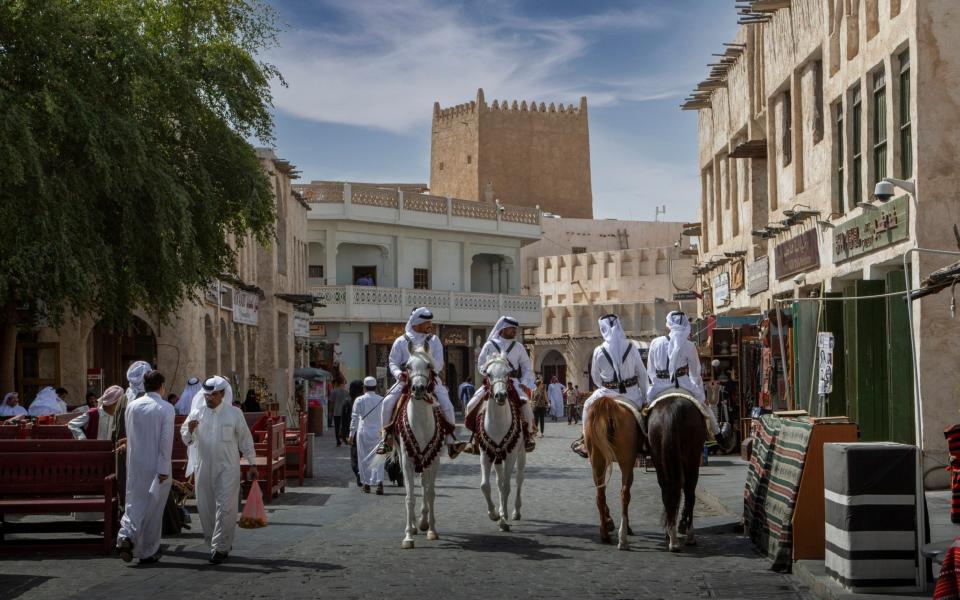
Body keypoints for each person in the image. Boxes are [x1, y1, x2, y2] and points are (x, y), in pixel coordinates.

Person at [180, 375, 256, 565]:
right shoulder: (197, 413)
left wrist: (252, 463)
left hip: (228, 468)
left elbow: (245, 439)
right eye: (206, 395)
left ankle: (220, 547)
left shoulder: (234, 413)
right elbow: (186, 438)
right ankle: (214, 542)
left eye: (213, 395)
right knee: (206, 508)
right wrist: (189, 430)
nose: (209, 398)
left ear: (222, 393)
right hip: (204, 467)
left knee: (225, 507)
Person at [376, 307, 463, 458]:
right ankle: (386, 438)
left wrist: (428, 367)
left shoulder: (434, 340)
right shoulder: (401, 341)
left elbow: (440, 364)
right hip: (406, 379)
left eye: (430, 322)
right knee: (387, 402)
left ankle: (451, 441)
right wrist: (398, 374)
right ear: (417, 323)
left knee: (447, 404)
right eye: (426, 322)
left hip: (430, 379)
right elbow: (393, 362)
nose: (430, 325)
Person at [116, 370, 174, 565]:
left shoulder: (132, 406)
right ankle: (147, 550)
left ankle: (126, 535)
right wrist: (164, 468)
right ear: (161, 386)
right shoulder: (166, 408)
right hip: (157, 464)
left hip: (135, 463)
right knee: (154, 508)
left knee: (134, 501)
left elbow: (131, 435)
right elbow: (166, 441)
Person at [572, 314, 648, 458]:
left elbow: (595, 378)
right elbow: (642, 374)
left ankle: (584, 441)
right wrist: (644, 397)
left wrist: (607, 386)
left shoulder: (599, 350)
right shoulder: (631, 347)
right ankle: (645, 441)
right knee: (644, 417)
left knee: (587, 406)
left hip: (607, 392)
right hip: (631, 395)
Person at [647, 311, 722, 444]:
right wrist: (698, 391)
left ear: (669, 324)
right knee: (705, 407)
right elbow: (695, 373)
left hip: (659, 386)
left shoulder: (655, 342)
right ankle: (717, 434)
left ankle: (644, 439)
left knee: (644, 411)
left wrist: (656, 383)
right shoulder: (689, 345)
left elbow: (651, 371)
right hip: (683, 384)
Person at [464, 315, 537, 453]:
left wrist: (523, 382)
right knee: (471, 404)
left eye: (515, 328)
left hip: (513, 382)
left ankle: (528, 437)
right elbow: (480, 364)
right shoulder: (490, 345)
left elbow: (527, 367)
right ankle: (475, 439)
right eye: (511, 328)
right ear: (503, 328)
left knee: (526, 406)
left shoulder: (519, 347)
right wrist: (489, 374)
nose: (514, 331)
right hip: (493, 382)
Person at [350, 376, 386, 494]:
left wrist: (351, 434)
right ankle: (379, 483)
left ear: (364, 388)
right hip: (379, 433)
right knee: (379, 458)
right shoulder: (382, 400)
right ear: (375, 387)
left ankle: (366, 484)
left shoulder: (359, 400)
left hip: (363, 432)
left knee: (364, 458)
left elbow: (354, 418)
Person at [330, 379, 351, 447]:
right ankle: (344, 439)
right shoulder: (346, 392)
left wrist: (330, 411)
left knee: (337, 427)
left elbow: (331, 402)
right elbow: (349, 402)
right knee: (344, 426)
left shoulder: (334, 391)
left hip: (336, 411)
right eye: (344, 383)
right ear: (342, 383)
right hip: (344, 412)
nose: (345, 385)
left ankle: (338, 441)